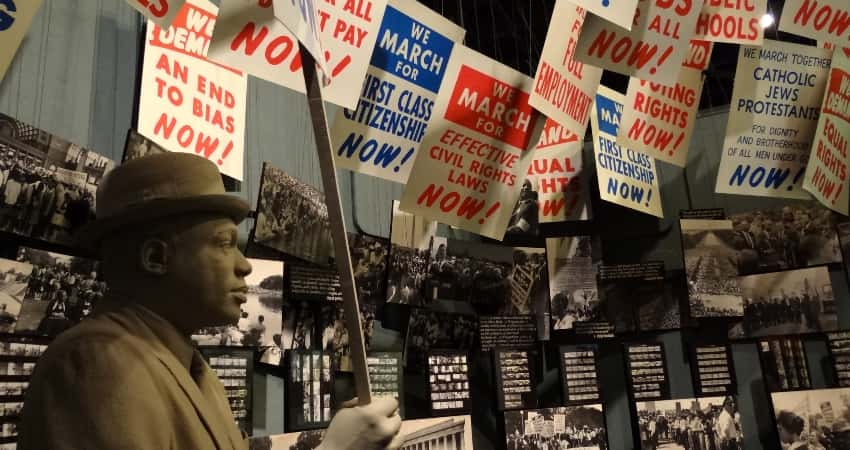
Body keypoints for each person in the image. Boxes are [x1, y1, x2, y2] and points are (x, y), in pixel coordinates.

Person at [18, 153, 402, 450]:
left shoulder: (184, 365)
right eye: (223, 244)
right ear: (156, 258)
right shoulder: (99, 364)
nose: (245, 265)